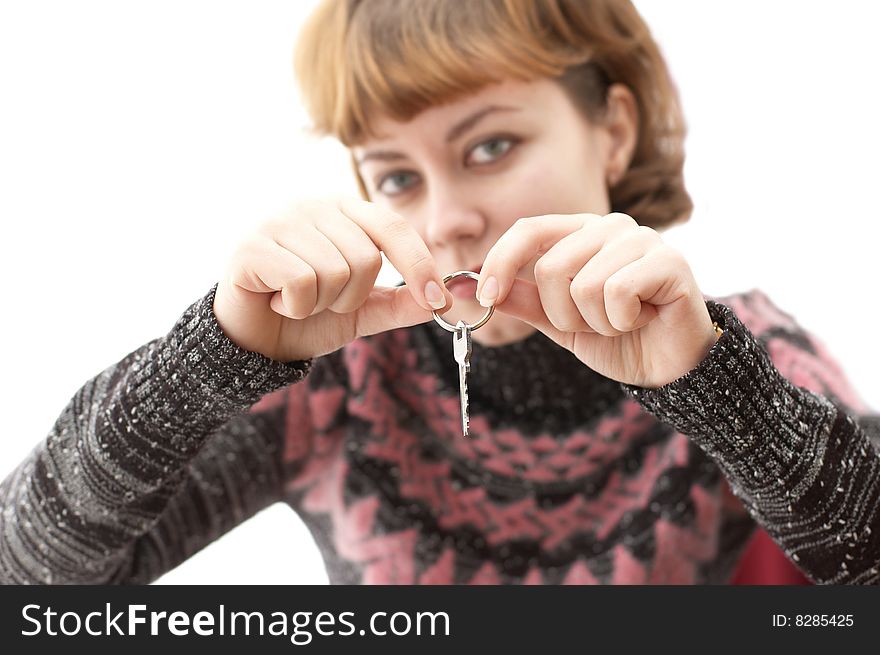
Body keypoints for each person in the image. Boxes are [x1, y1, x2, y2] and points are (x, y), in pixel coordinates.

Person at [2, 0, 878, 585]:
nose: (448, 219)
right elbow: (26, 577)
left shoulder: (738, 358)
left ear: (613, 130)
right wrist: (207, 363)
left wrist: (722, 392)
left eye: (490, 147)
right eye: (395, 176)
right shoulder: (335, 386)